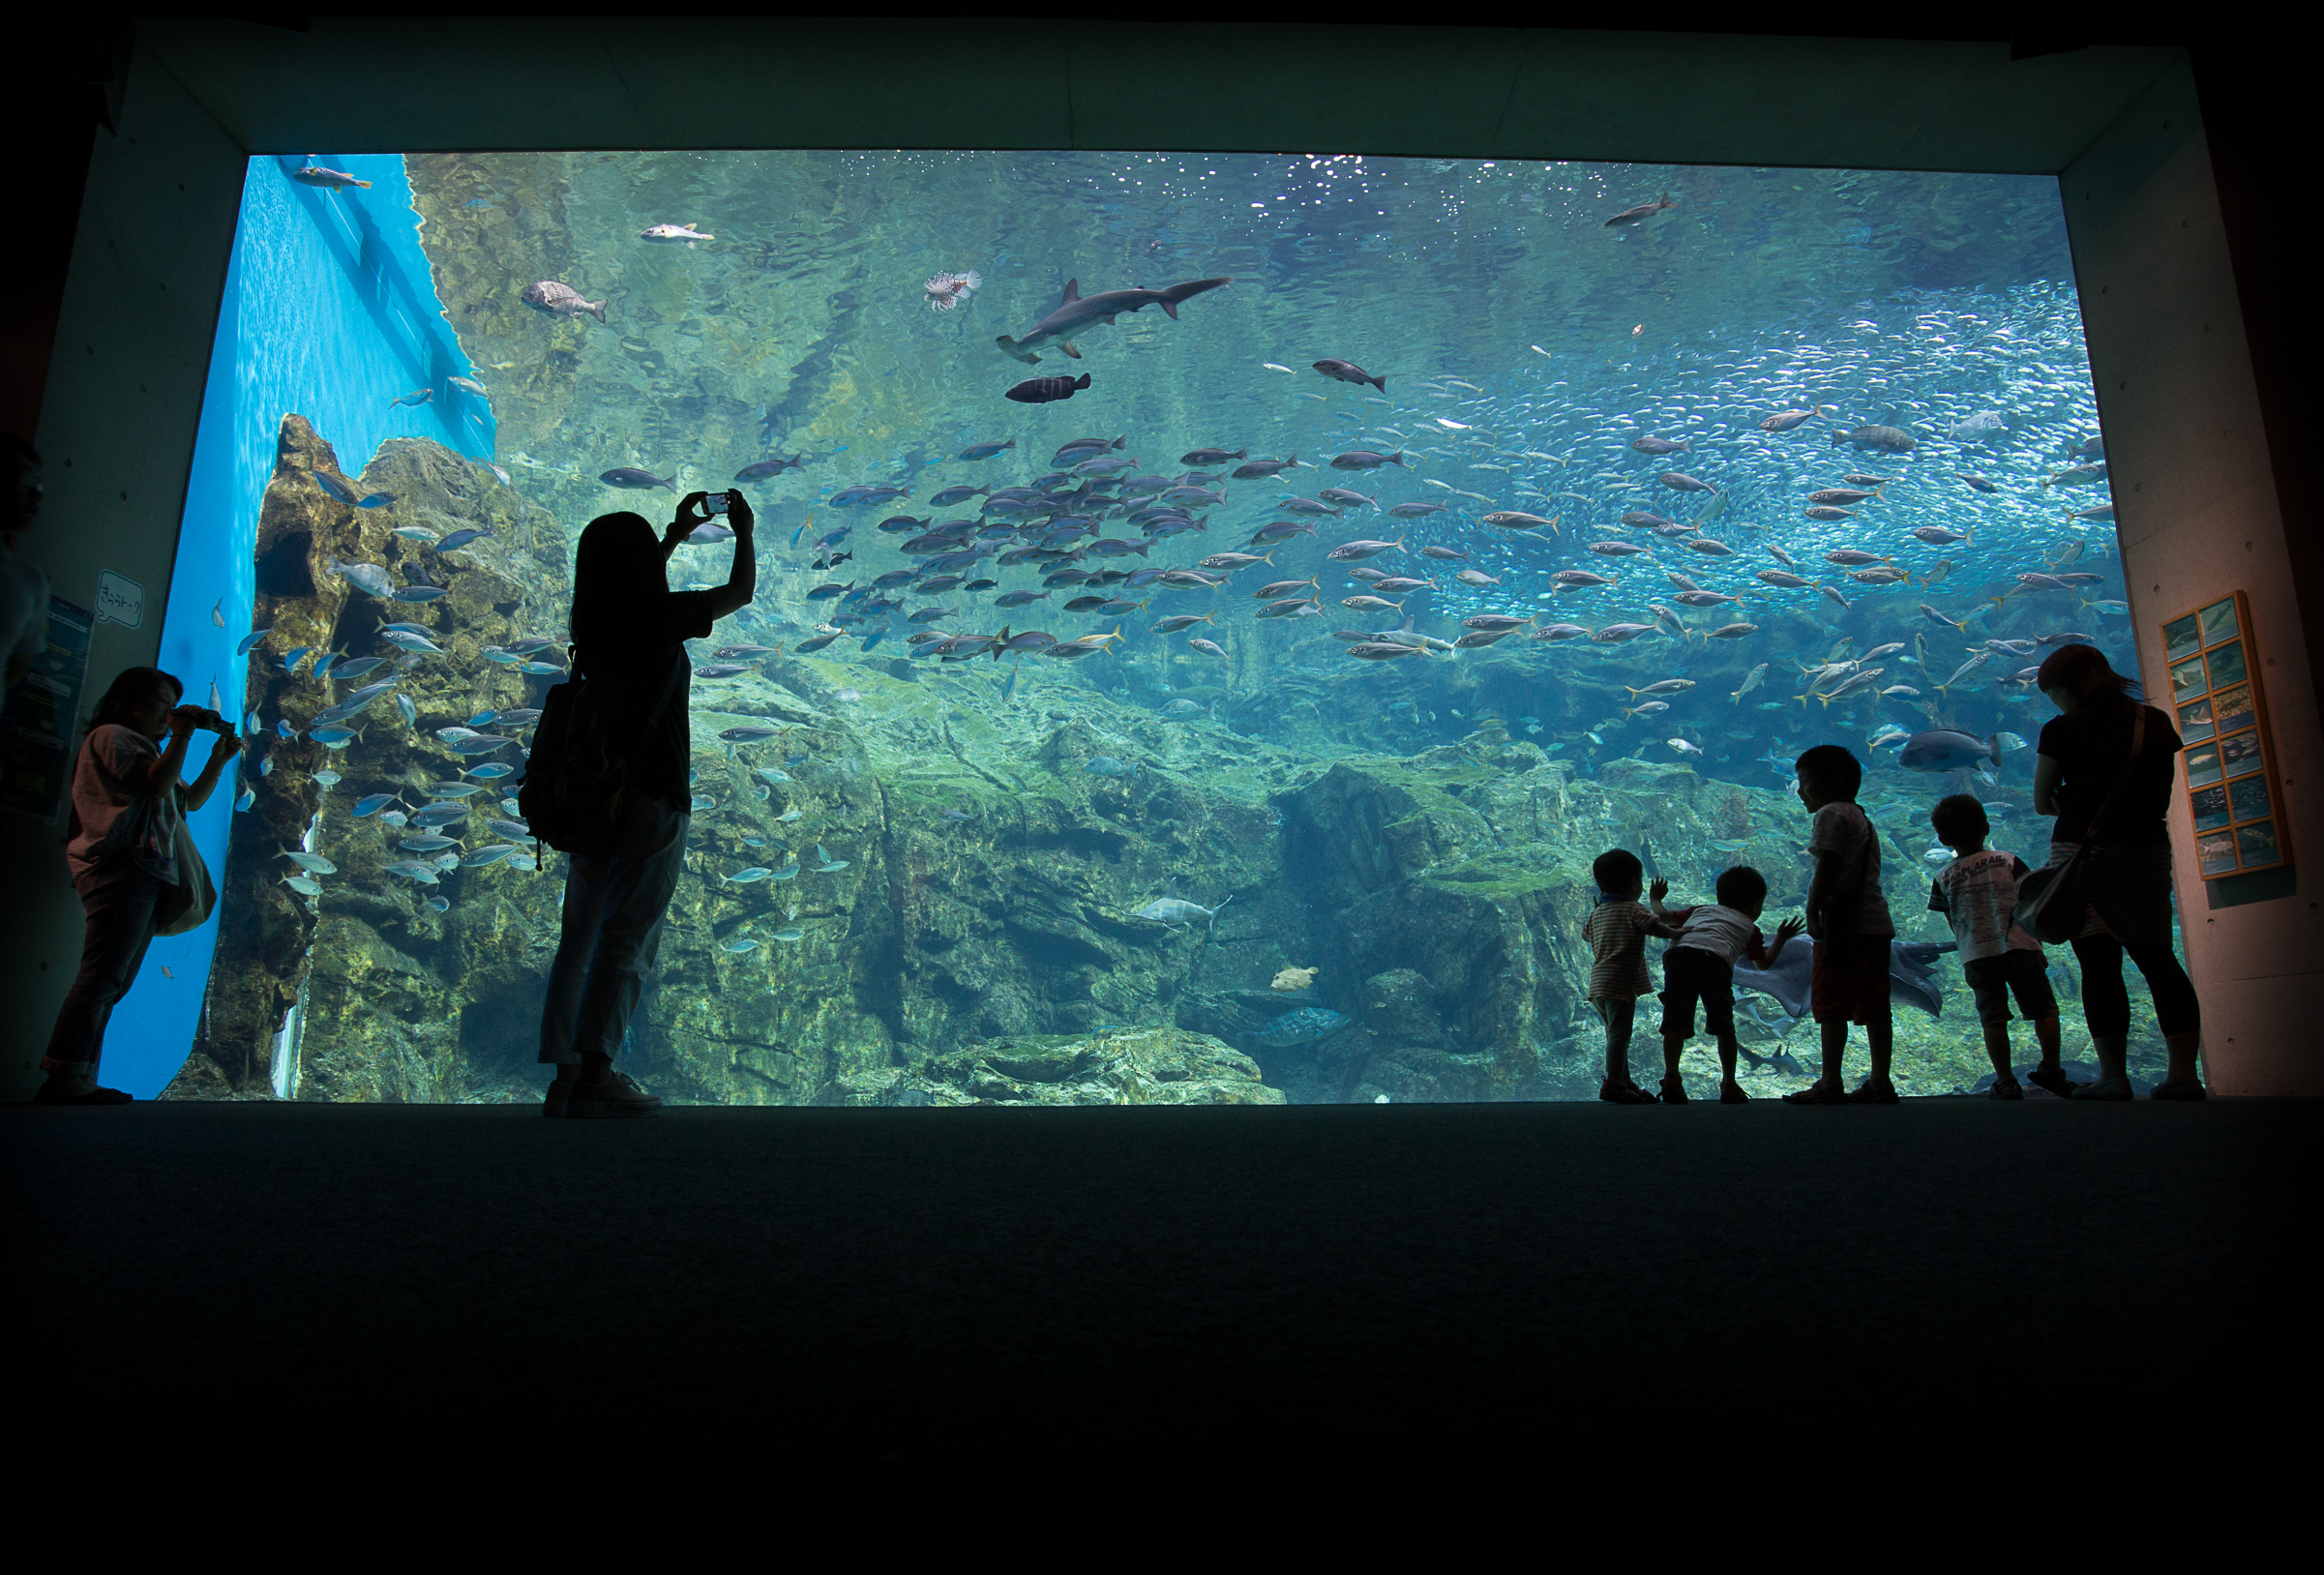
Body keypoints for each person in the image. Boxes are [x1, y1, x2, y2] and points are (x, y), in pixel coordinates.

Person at [539, 490, 757, 1117]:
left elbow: (629, 592)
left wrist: (671, 539)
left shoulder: (594, 625)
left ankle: (565, 1074)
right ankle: (599, 1073)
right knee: (627, 935)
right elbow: (739, 591)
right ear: (640, 569)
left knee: (578, 936)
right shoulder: (658, 620)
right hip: (651, 799)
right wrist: (742, 531)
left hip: (588, 795)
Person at [38, 667, 238, 1103]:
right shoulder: (113, 736)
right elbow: (155, 782)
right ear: (131, 702)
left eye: (173, 706)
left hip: (145, 873)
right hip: (121, 868)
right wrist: (183, 735)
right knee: (101, 978)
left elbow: (189, 800)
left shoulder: (146, 750)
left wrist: (218, 760)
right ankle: (63, 1079)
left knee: (116, 982)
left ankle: (79, 1077)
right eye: (163, 703)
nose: (170, 713)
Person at [2031, 643, 2203, 1100]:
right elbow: (2156, 790)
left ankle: (2113, 1077)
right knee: (2159, 960)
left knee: (2098, 962)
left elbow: (2042, 799)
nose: (2057, 704)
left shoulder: (2061, 729)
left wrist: (2073, 800)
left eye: (2056, 694)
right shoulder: (2155, 722)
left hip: (2083, 855)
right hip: (2144, 851)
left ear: (2073, 687)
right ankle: (2185, 1075)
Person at [1927, 793, 2068, 1100]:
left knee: (1993, 1018)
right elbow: (2030, 898)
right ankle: (2052, 1069)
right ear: (1986, 827)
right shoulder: (2009, 860)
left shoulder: (1942, 876)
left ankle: (2005, 1080)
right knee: (2044, 1009)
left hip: (1977, 955)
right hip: (2021, 946)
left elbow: (1951, 917)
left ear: (1941, 838)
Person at [1785, 744, 1898, 1105]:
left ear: (1833, 783)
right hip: (1875, 923)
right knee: (1876, 1004)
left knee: (1832, 1002)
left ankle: (1830, 1081)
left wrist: (1813, 908)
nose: (1800, 790)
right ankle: (1881, 1081)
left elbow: (1828, 865)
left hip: (1842, 925)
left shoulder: (1831, 813)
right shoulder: (1862, 817)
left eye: (1804, 781)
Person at [1650, 866, 1804, 1104]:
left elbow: (1664, 917)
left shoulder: (1700, 910)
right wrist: (1781, 938)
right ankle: (1729, 1084)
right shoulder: (1751, 929)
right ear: (1756, 904)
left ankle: (1671, 1078)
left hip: (1678, 957)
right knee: (1723, 1026)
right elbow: (1763, 965)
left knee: (1675, 1023)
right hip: (1714, 961)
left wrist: (1655, 898)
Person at [1582, 848, 1665, 1104]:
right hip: (1620, 985)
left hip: (1597, 986)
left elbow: (1586, 935)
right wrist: (1681, 932)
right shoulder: (1632, 908)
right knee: (1620, 1036)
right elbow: (1654, 925)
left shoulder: (1598, 912)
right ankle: (1614, 1083)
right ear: (1633, 883)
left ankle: (1626, 1082)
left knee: (1614, 1034)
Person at [1, 432, 49, 694]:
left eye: (39, 482)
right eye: (22, 477)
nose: (37, 492)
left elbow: (17, 666)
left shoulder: (31, 582)